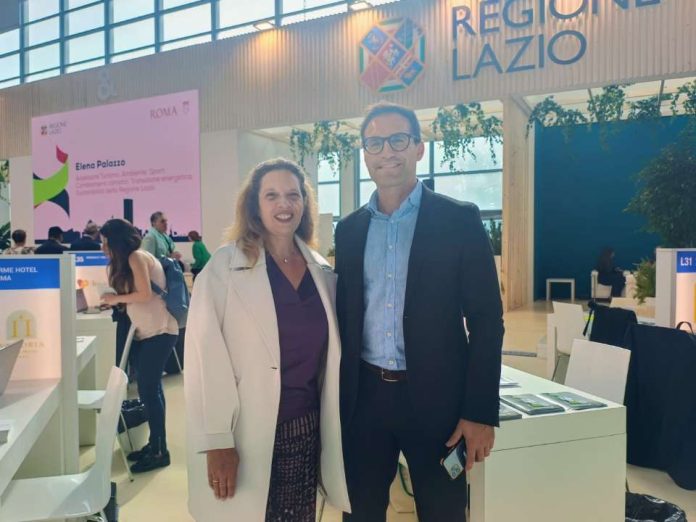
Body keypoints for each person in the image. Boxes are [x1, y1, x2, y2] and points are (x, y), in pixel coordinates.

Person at [334, 102, 504, 521]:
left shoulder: (458, 220)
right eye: (375, 142)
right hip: (364, 400)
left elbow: (487, 321)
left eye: (398, 140)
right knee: (359, 512)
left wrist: (479, 411)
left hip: (438, 401)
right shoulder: (350, 230)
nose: (387, 151)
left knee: (444, 512)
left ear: (418, 148)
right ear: (365, 153)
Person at [184, 158, 350, 521]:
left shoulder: (321, 272)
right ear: (254, 205)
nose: (283, 204)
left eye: (293, 195)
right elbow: (203, 358)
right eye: (271, 195)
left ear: (304, 204)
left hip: (306, 428)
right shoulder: (224, 268)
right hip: (245, 432)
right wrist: (217, 441)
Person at [99, 218, 178, 473]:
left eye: (105, 242)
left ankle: (159, 451)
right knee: (151, 391)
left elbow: (145, 294)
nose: (103, 247)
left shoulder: (136, 257)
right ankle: (156, 444)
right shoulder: (131, 259)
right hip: (150, 332)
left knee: (148, 391)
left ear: (116, 241)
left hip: (160, 331)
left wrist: (116, 299)